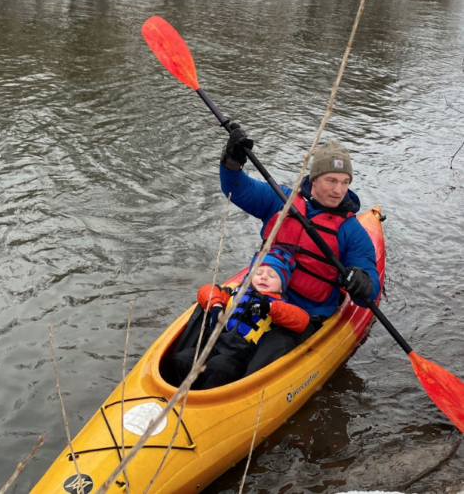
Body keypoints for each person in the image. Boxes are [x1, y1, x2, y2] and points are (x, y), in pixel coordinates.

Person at [219, 124, 381, 375]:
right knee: (205, 323)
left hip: (304, 314)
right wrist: (232, 163)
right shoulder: (281, 200)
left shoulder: (352, 231)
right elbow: (238, 189)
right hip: (259, 293)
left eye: (345, 182)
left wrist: (363, 282)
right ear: (314, 179)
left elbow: (367, 287)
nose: (339, 190)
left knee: (260, 362)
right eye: (331, 180)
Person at [162, 246, 310, 390]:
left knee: (219, 368)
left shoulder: (279, 306)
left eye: (272, 276)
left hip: (239, 358)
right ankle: (176, 394)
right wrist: (217, 305)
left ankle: (205, 402)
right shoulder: (236, 292)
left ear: (281, 287)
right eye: (258, 273)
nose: (264, 277)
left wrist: (270, 308)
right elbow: (205, 290)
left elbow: (301, 321)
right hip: (214, 347)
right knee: (184, 358)